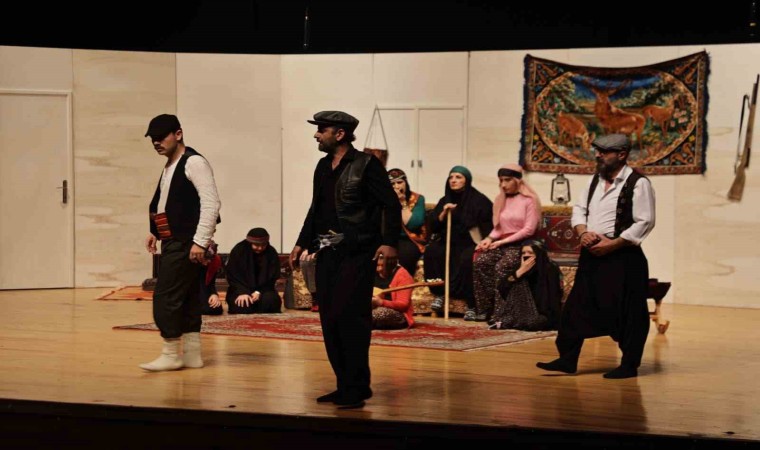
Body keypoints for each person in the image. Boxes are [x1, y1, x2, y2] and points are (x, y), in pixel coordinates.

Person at [289, 111, 401, 409]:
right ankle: (344, 385)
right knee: (330, 319)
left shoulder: (367, 165)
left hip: (357, 252)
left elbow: (390, 204)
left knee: (350, 318)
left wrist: (389, 242)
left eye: (321, 130)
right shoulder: (322, 166)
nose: (316, 134)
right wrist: (301, 242)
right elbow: (316, 208)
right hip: (327, 251)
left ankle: (357, 387)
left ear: (339, 134)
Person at [537, 134, 655, 379]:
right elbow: (579, 210)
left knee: (628, 311)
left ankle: (629, 365)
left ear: (621, 155)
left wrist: (612, 244)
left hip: (623, 257)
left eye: (604, 151)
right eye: (597, 151)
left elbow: (645, 221)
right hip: (593, 255)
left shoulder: (638, 183)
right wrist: (583, 233)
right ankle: (567, 359)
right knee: (576, 306)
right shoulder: (595, 181)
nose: (598, 155)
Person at [142, 114, 221, 371]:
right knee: (187, 297)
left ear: (178, 134)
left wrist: (200, 242)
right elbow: (167, 202)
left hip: (186, 242)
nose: (156, 142)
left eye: (161, 137)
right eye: (153, 139)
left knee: (165, 296)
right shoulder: (171, 164)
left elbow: (211, 203)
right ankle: (191, 354)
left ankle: (171, 353)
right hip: (175, 240)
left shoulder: (194, 162)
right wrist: (155, 231)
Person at [472, 164, 541, 322]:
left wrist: (501, 241)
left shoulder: (529, 200)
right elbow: (499, 228)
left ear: (517, 180)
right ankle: (485, 309)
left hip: (522, 245)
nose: (503, 184)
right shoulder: (500, 199)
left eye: (507, 180)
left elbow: (529, 229)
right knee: (481, 262)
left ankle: (501, 313)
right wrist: (488, 239)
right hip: (503, 243)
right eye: (501, 180)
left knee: (502, 267)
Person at [424, 166, 492, 318]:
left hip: (471, 241)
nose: (453, 180)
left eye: (458, 177)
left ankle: (471, 304)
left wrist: (462, 215)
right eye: (451, 177)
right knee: (432, 251)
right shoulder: (445, 200)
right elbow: (433, 226)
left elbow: (487, 225)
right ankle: (440, 293)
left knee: (467, 259)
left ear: (467, 180)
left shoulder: (479, 200)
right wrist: (443, 213)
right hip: (448, 240)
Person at [489, 241, 562, 330]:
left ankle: (514, 321)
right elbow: (502, 288)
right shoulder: (520, 267)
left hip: (543, 312)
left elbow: (552, 296)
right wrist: (520, 272)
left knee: (534, 322)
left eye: (530, 253)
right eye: (523, 253)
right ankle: (514, 320)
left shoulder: (550, 268)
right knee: (517, 282)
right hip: (520, 311)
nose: (526, 255)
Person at [226, 228, 282, 314]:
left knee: (271, 301)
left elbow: (272, 278)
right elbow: (232, 276)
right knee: (242, 305)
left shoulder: (271, 253)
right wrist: (243, 292)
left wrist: (258, 292)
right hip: (240, 290)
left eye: (263, 245)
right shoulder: (239, 251)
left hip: (264, 290)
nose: (260, 248)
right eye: (256, 245)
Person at [387, 168, 427, 276]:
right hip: (388, 237)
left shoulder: (417, 199)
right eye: (392, 184)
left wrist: (402, 202)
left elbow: (413, 224)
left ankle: (404, 283)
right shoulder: (383, 198)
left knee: (406, 254)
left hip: (409, 239)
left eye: (400, 182)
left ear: (406, 183)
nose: (396, 187)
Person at [372, 262, 415, 330]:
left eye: (382, 258)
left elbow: (403, 305)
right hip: (374, 309)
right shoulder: (370, 272)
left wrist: (381, 302)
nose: (378, 261)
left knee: (378, 313)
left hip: (397, 313)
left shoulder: (402, 275)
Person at [199, 242, 223, 316]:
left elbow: (211, 282)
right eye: (205, 259)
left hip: (203, 290)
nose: (207, 262)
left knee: (215, 308)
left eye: (210, 259)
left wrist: (214, 294)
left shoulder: (215, 261)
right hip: (188, 291)